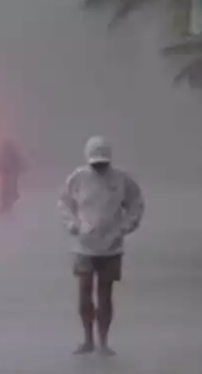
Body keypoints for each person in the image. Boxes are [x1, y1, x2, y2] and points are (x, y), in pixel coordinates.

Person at [58, 135, 144, 356]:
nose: (100, 167)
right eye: (96, 163)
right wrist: (72, 225)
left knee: (105, 294)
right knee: (84, 292)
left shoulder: (122, 179)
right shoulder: (77, 178)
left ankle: (103, 341)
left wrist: (125, 227)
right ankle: (87, 339)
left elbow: (136, 203)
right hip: (83, 246)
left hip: (112, 246)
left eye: (103, 163)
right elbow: (64, 203)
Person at [0, 139, 25, 214]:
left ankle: (6, 211)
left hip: (10, 180)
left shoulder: (7, 155)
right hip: (9, 180)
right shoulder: (10, 155)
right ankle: (6, 211)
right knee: (7, 196)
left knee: (8, 196)